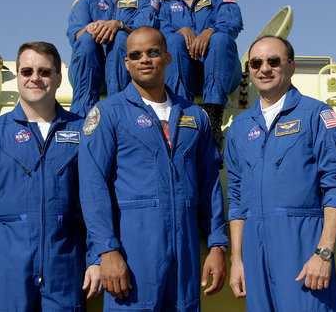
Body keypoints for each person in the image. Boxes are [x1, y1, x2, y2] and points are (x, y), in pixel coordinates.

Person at [79, 26, 228, 311]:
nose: (144, 60)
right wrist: (106, 251)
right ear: (126, 63)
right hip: (133, 255)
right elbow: (92, 186)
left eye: (153, 52)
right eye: (135, 55)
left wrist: (217, 245)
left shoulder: (194, 116)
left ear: (168, 58)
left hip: (184, 255)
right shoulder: (108, 113)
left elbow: (209, 184)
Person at [0, 42, 101, 311]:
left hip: (66, 266)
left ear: (58, 78)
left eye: (45, 72)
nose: (35, 78)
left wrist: (97, 258)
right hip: (7, 268)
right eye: (26, 71)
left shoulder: (84, 133)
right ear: (19, 76)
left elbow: (98, 201)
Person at [225, 36, 336, 312]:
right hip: (254, 250)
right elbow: (235, 199)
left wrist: (324, 253)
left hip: (302, 244)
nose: (264, 69)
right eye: (256, 63)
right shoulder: (240, 128)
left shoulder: (316, 115)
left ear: (291, 67)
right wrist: (237, 260)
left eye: (274, 61)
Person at [155, 0, 243, 147]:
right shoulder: (164, 4)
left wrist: (209, 31)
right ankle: (179, 114)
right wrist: (179, 31)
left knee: (220, 39)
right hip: (187, 75)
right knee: (173, 41)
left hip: (223, 72)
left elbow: (233, 21)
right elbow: (158, 33)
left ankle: (213, 118)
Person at [67, 0, 160, 116]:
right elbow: (75, 34)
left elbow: (147, 31)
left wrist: (119, 25)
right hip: (88, 70)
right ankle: (81, 117)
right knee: (86, 39)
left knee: (122, 38)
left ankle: (118, 113)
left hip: (126, 74)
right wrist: (93, 29)